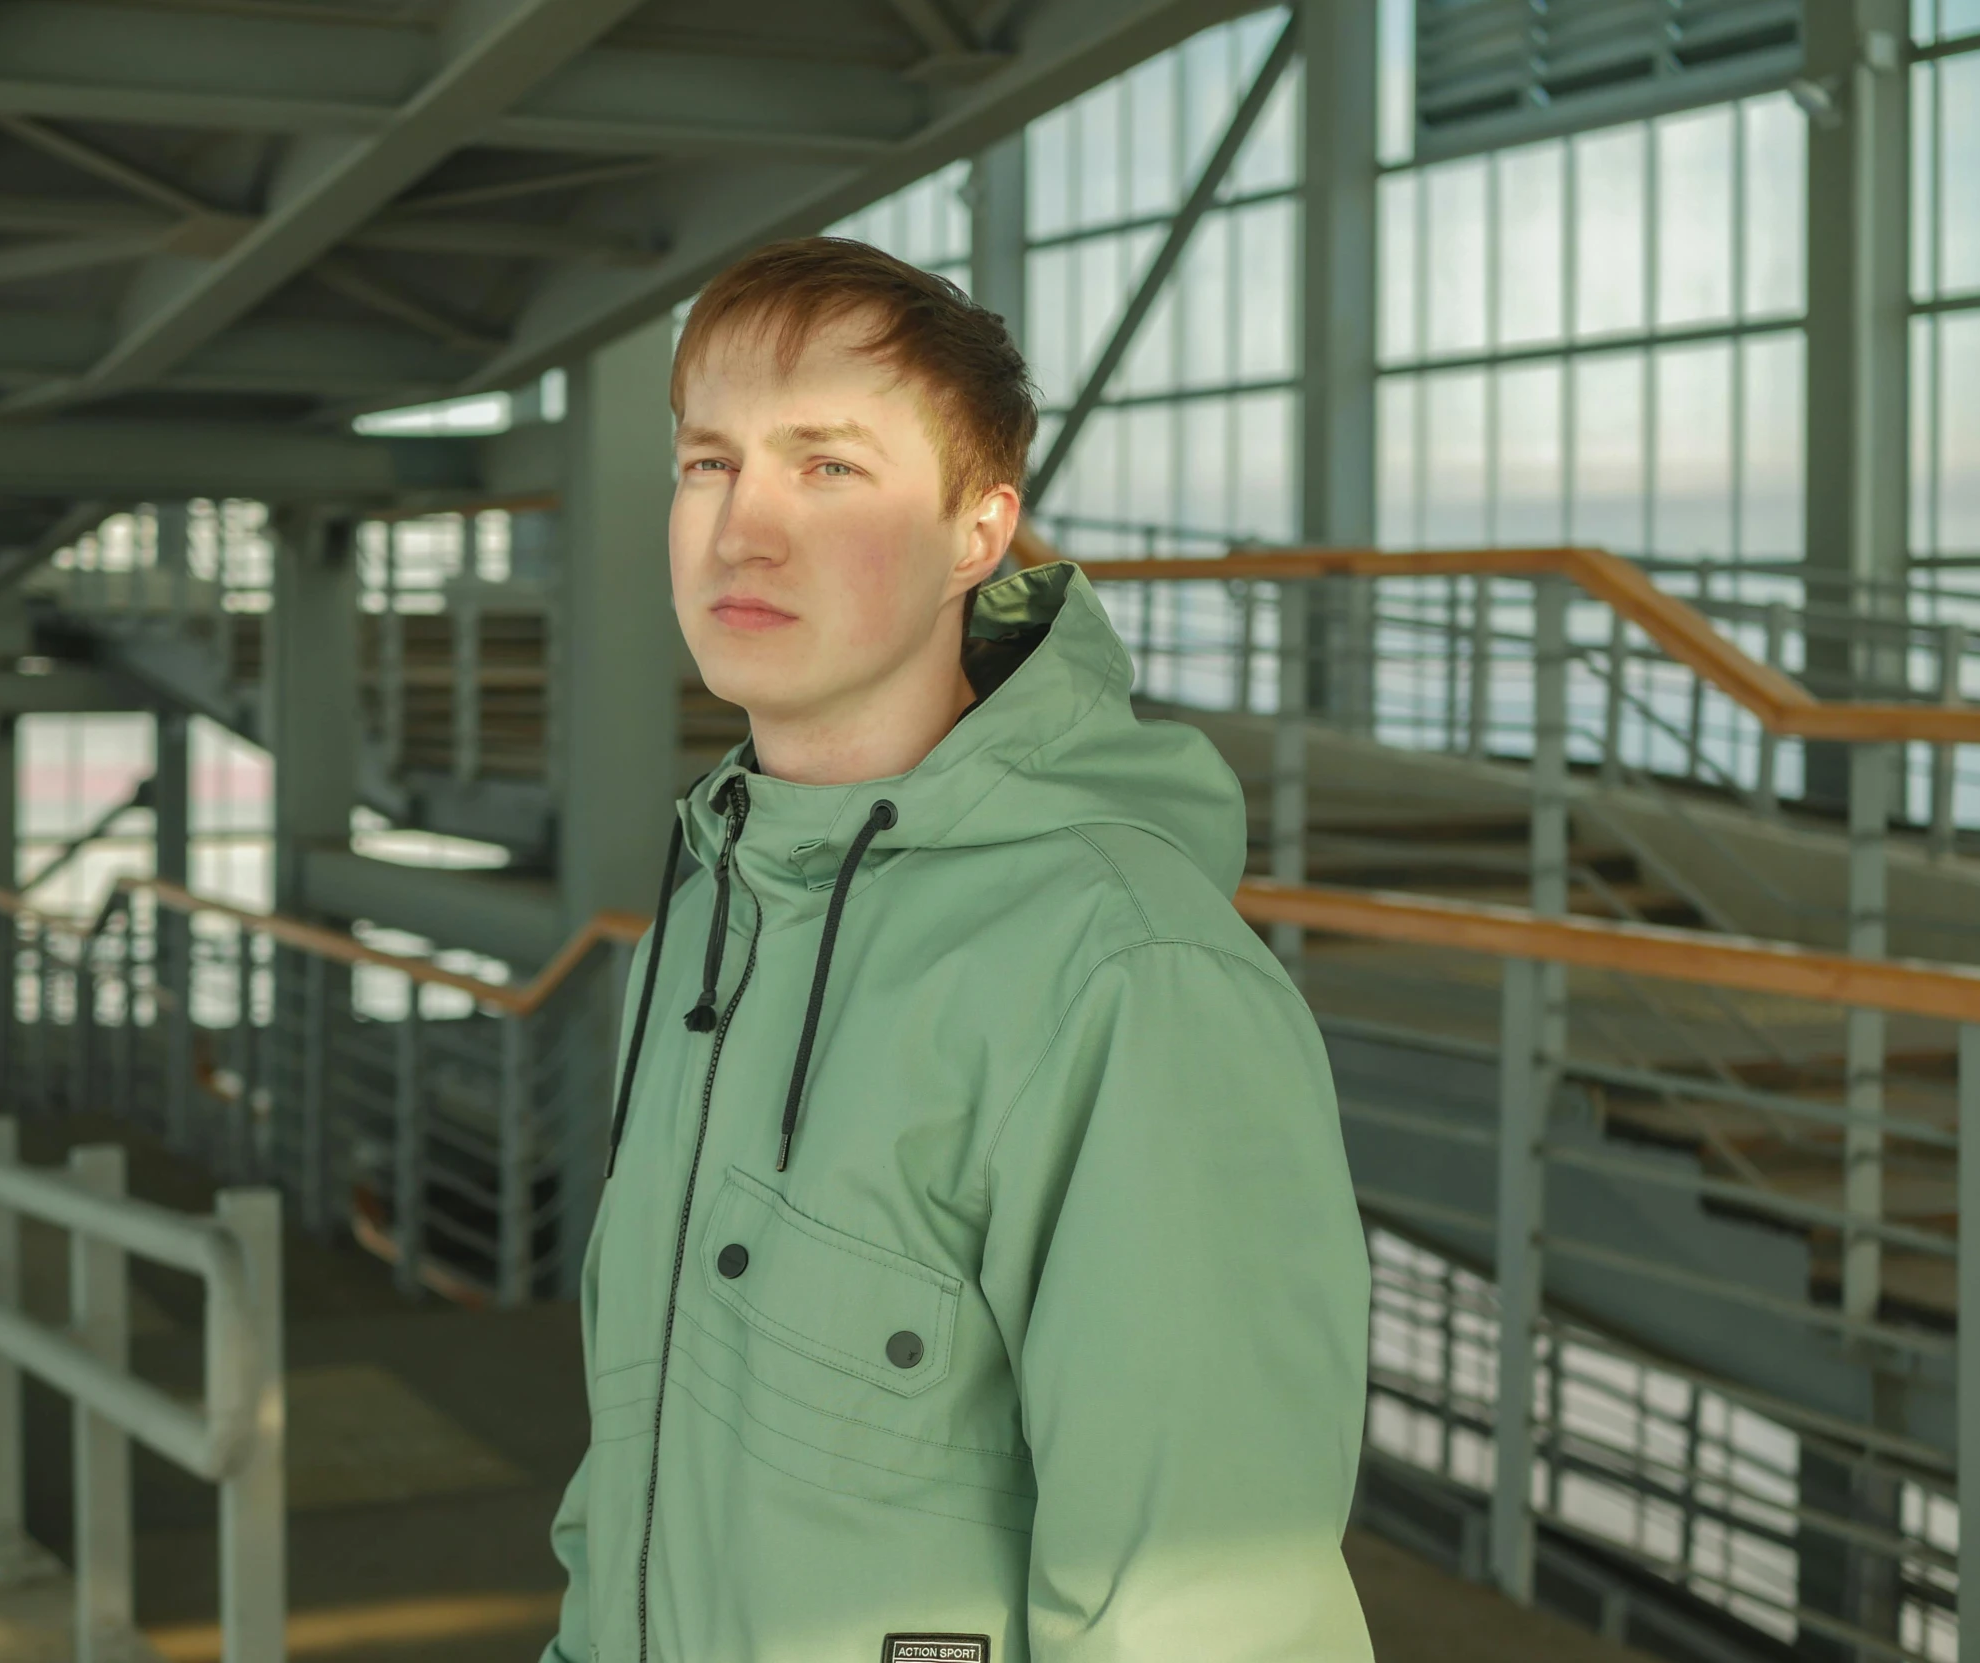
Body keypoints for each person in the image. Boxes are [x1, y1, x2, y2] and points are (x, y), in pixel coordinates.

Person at [542, 236, 1372, 1663]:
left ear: (977, 532)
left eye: (827, 466)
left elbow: (1206, 1610)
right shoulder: (706, 921)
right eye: (707, 462)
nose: (741, 527)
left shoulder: (1122, 974)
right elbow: (638, 1472)